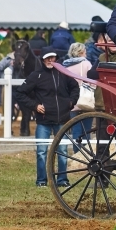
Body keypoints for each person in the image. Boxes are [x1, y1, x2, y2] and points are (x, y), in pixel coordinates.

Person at [14, 47, 79, 188]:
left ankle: (63, 180)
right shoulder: (36, 75)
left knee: (62, 151)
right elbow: (20, 93)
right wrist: (35, 105)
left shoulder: (64, 73)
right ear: (42, 59)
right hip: (43, 121)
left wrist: (71, 102)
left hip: (62, 119)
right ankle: (41, 181)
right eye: (47, 58)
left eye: (52, 57)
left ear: (55, 58)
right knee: (41, 152)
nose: (50, 60)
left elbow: (75, 88)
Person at [62, 42, 93, 139]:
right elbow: (92, 82)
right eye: (84, 51)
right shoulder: (86, 64)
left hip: (71, 102)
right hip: (86, 100)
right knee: (87, 131)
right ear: (80, 52)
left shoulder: (65, 65)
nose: (86, 54)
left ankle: (77, 152)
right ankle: (86, 152)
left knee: (76, 130)